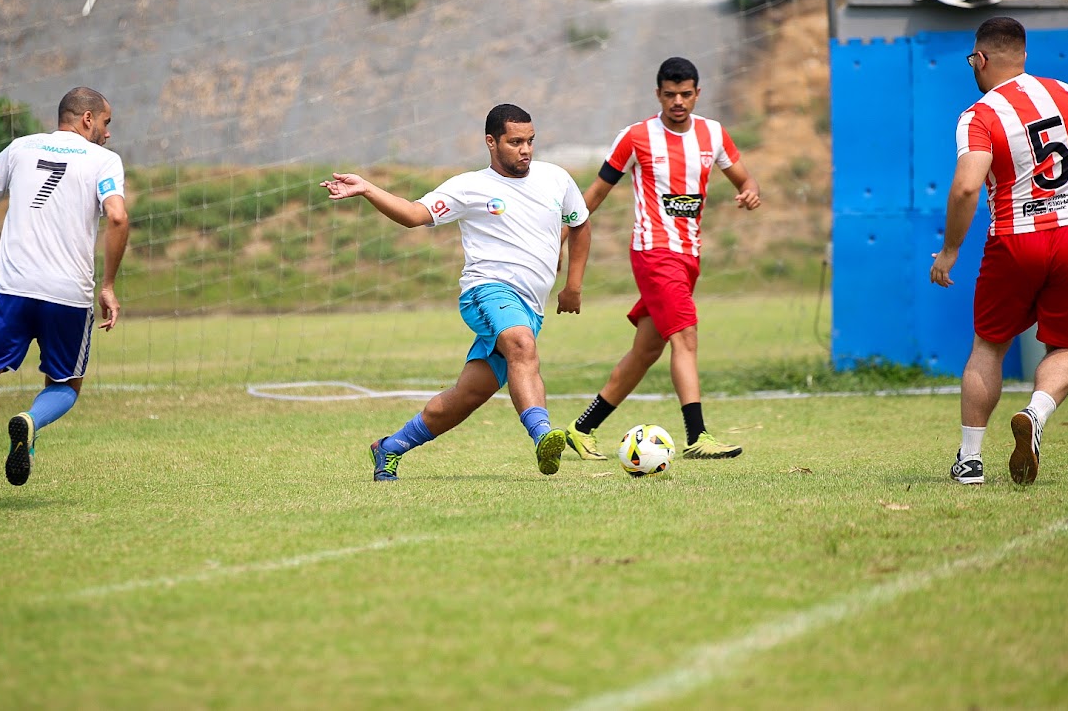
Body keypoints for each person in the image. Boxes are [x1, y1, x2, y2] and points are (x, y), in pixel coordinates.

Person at [321, 104, 592, 481]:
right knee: (521, 346)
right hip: (487, 292)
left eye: (530, 141)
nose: (526, 150)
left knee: (467, 396)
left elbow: (579, 224)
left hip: (531, 307)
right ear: (491, 142)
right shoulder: (470, 186)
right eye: (515, 142)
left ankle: (389, 447)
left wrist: (573, 286)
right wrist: (368, 189)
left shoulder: (556, 179)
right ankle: (543, 436)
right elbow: (414, 214)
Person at [930, 16, 1068, 486]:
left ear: (982, 59)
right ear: (1025, 56)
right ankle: (1035, 413)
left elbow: (967, 187)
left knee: (989, 346)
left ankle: (970, 461)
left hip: (1016, 237)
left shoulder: (980, 115)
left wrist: (949, 250)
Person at [0, 87, 129, 514]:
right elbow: (117, 216)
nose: (108, 133)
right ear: (85, 120)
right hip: (68, 294)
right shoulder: (103, 161)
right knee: (64, 386)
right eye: (106, 122)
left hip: (11, 288)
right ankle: (31, 421)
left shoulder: (18, 148)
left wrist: (8, 251)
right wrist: (109, 286)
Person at [563, 56, 762, 463]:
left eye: (685, 94)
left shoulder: (714, 134)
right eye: (669, 95)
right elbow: (596, 193)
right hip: (654, 252)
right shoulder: (636, 137)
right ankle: (698, 435)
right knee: (685, 337)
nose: (678, 102)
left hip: (689, 255)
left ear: (697, 94)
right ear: (658, 94)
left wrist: (750, 191)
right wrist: (561, 235)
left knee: (646, 351)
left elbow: (744, 178)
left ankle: (581, 429)